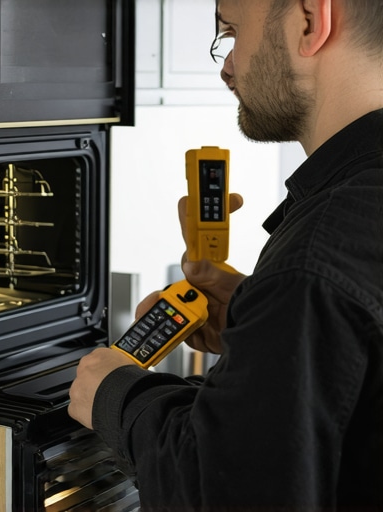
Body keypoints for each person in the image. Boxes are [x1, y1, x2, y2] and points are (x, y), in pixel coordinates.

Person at [69, 0, 383, 509]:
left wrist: (117, 395)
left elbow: (224, 492)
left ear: (310, 21)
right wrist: (255, 315)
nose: (226, 66)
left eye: (232, 32)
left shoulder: (314, 258)